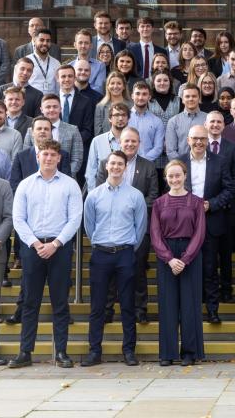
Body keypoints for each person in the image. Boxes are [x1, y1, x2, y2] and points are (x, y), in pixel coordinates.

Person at [8, 139, 82, 369]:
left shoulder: (70, 185)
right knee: (30, 301)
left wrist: (56, 243)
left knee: (60, 302)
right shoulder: (26, 185)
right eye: (44, 154)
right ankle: (25, 352)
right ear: (37, 156)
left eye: (53, 154)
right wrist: (35, 244)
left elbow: (75, 219)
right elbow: (18, 219)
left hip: (59, 249)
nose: (48, 158)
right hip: (32, 249)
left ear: (59, 158)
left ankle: (61, 352)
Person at [81, 151, 147, 367]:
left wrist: (127, 248)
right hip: (101, 254)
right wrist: (101, 243)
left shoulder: (135, 195)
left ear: (125, 167)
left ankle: (129, 350)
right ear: (106, 166)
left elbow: (141, 227)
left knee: (128, 304)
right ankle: (94, 351)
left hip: (125, 254)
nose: (116, 167)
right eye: (113, 163)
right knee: (97, 306)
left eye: (120, 164)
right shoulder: (94, 195)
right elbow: (89, 227)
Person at [94, 128, 160, 324]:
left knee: (138, 270)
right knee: (110, 272)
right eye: (126, 141)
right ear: (119, 143)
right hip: (111, 228)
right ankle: (107, 310)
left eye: (134, 141)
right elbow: (99, 192)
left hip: (139, 228)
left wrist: (131, 209)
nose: (130, 144)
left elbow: (153, 196)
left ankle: (140, 309)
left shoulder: (148, 166)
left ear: (139, 143)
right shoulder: (107, 163)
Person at [151, 160, 207, 366]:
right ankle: (167, 353)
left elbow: (200, 233)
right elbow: (155, 235)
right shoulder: (158, 203)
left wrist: (184, 259)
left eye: (178, 175)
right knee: (167, 304)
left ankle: (190, 352)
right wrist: (169, 259)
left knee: (190, 304)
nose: (175, 179)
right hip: (167, 257)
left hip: (190, 256)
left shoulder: (196, 202)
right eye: (171, 176)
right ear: (166, 179)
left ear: (185, 176)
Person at [181, 125, 235, 324]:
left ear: (208, 141)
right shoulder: (179, 162)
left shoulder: (220, 162)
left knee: (211, 268)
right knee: (187, 267)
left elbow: (230, 189)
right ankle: (189, 311)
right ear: (188, 140)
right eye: (195, 138)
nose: (198, 142)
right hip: (184, 224)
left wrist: (211, 204)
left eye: (202, 139)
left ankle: (212, 310)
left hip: (211, 220)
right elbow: (169, 188)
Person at [205, 111, 235, 303]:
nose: (216, 125)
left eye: (219, 122)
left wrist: (216, 203)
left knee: (225, 254)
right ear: (206, 124)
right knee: (207, 257)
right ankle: (207, 291)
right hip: (202, 212)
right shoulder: (200, 147)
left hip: (226, 209)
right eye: (212, 121)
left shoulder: (232, 148)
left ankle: (226, 290)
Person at [21, 94, 84, 176]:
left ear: (60, 109)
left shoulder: (73, 130)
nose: (51, 110)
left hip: (65, 179)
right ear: (41, 109)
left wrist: (64, 176)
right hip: (35, 178)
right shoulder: (31, 131)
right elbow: (27, 157)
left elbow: (77, 158)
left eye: (55, 107)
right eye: (48, 107)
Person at [85, 103, 128, 190]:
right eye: (116, 115)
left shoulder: (132, 142)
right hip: (101, 191)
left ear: (128, 118)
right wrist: (94, 194)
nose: (120, 118)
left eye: (124, 115)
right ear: (110, 118)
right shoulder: (97, 141)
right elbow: (90, 172)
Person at [54, 65, 95, 153]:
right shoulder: (51, 100)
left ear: (75, 78)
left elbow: (87, 129)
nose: (67, 79)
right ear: (57, 79)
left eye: (70, 76)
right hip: (53, 148)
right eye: (63, 76)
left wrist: (72, 142)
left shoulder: (86, 101)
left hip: (77, 150)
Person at [166, 84, 207, 159]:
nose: (191, 99)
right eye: (187, 96)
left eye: (194, 96)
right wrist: (182, 166)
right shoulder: (173, 122)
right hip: (181, 167)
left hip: (205, 165)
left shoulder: (208, 119)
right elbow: (171, 151)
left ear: (199, 98)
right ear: (182, 99)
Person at [127, 82, 165, 163]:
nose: (140, 97)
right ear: (132, 96)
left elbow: (158, 148)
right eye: (137, 94)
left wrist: (142, 161)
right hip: (126, 164)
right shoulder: (124, 118)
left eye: (144, 94)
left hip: (147, 166)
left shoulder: (157, 121)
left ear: (149, 97)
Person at [67, 28, 107, 95]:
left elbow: (99, 90)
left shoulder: (100, 66)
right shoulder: (69, 66)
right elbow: (66, 88)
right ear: (75, 45)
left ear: (91, 45)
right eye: (80, 42)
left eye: (86, 43)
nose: (83, 46)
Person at [94, 71, 131, 135]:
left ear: (124, 86)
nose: (115, 86)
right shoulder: (100, 106)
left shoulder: (131, 105)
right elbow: (98, 132)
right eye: (112, 83)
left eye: (119, 83)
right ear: (107, 86)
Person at [25, 28, 60, 95]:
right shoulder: (26, 61)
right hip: (33, 102)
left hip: (51, 102)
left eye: (48, 41)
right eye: (41, 40)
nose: (45, 43)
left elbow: (58, 87)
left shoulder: (56, 63)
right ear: (35, 40)